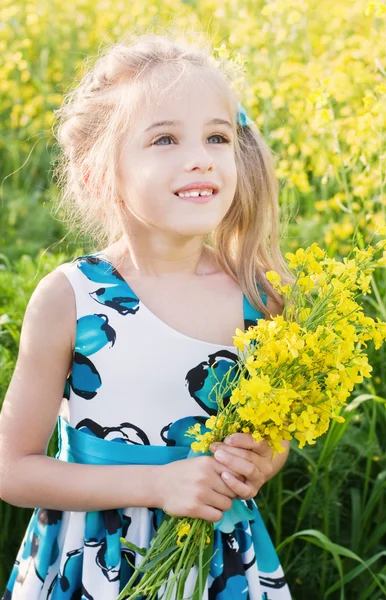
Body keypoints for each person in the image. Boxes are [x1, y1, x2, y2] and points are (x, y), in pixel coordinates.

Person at [0, 32, 294, 599]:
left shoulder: (258, 298)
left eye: (217, 136)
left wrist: (260, 461)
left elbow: (269, 439)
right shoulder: (72, 297)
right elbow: (12, 468)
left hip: (216, 561)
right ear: (98, 173)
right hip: (95, 561)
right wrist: (159, 484)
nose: (200, 158)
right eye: (164, 138)